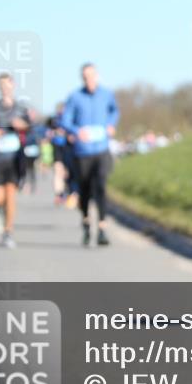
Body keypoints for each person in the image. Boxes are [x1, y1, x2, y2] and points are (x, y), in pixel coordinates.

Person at [60, 63, 119, 247]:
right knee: (85, 190)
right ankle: (86, 223)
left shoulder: (106, 95)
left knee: (100, 186)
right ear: (82, 78)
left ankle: (102, 228)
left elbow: (114, 111)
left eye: (92, 76)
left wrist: (111, 124)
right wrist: (76, 131)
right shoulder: (75, 97)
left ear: (97, 76)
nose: (89, 80)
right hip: (82, 151)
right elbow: (65, 121)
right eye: (86, 77)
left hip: (101, 149)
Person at [0, 72, 33, 248]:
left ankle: (8, 231)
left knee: (11, 194)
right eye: (1, 86)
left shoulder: (20, 107)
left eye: (7, 85)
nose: (5, 89)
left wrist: (21, 125)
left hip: (15, 157)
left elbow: (30, 127)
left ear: (12, 86)